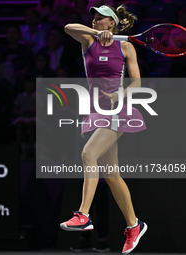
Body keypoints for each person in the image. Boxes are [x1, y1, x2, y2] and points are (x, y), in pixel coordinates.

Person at [60, 5, 148, 255]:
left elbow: (137, 83)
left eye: (100, 19)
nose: (95, 20)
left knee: (89, 154)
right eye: (94, 18)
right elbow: (68, 27)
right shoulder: (88, 40)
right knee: (111, 175)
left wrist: (119, 94)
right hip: (96, 112)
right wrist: (96, 33)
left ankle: (83, 215)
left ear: (113, 23)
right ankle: (134, 225)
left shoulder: (126, 47)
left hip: (117, 109)